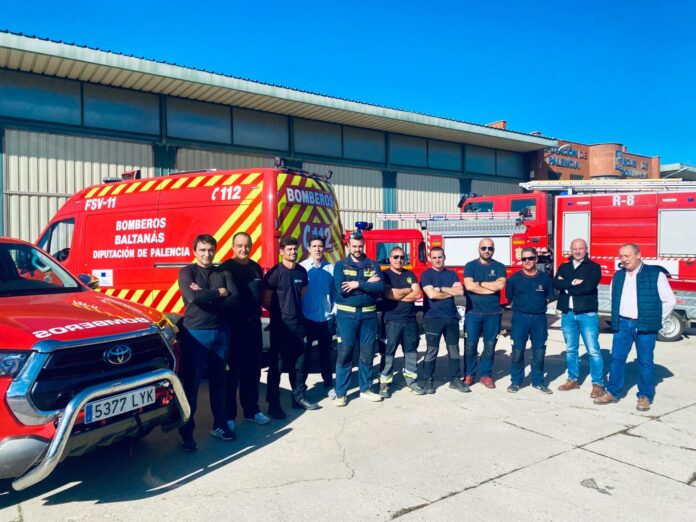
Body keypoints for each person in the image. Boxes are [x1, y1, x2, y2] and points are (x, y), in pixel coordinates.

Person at [594, 243, 676, 411]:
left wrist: (655, 320)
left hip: (645, 325)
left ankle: (645, 395)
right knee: (617, 359)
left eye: (627, 255)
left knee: (645, 361)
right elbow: (612, 298)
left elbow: (670, 300)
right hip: (623, 324)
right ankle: (613, 392)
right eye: (621, 256)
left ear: (638, 255)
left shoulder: (655, 274)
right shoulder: (618, 276)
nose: (624, 260)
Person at [178, 234, 239, 451]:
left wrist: (208, 295)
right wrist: (219, 292)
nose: (207, 254)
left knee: (219, 383)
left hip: (221, 333)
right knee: (192, 385)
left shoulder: (222, 271)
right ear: (195, 251)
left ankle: (220, 425)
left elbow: (234, 298)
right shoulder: (187, 272)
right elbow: (192, 298)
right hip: (195, 335)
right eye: (202, 250)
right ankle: (187, 433)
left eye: (210, 250)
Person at [263, 236, 318, 419]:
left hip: (299, 325)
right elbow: (266, 299)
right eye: (289, 249)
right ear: (281, 251)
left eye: (295, 249)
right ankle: (273, 404)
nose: (292, 252)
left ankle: (299, 398)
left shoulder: (302, 272)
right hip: (280, 327)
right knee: (277, 366)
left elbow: (301, 294)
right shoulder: (274, 273)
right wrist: (280, 314)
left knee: (300, 365)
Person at [220, 232, 270, 433]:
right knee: (232, 375)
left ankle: (252, 411)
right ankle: (229, 416)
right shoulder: (225, 268)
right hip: (233, 328)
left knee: (253, 371)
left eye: (247, 245)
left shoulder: (255, 267)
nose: (243, 249)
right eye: (239, 245)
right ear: (233, 246)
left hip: (253, 327)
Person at [333, 231, 385, 406]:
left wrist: (357, 284)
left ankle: (366, 388)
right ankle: (341, 393)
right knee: (345, 353)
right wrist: (368, 283)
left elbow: (380, 286)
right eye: (354, 246)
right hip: (347, 316)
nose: (357, 249)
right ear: (349, 246)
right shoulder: (340, 265)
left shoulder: (372, 264)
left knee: (367, 354)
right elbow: (342, 290)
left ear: (364, 245)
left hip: (369, 316)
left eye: (360, 246)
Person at [553, 238, 605, 397]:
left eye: (581, 248)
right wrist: (573, 283)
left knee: (593, 351)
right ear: (570, 249)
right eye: (574, 248)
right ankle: (573, 380)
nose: (577, 251)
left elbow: (588, 287)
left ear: (586, 249)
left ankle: (598, 384)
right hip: (568, 314)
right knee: (571, 349)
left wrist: (567, 286)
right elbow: (556, 284)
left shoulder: (594, 268)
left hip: (587, 314)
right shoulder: (564, 266)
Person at [505, 247, 555, 394]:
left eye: (530, 258)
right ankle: (516, 382)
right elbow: (509, 299)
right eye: (524, 259)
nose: (527, 261)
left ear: (536, 259)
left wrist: (536, 306)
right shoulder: (514, 279)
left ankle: (538, 382)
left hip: (539, 319)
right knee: (517, 351)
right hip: (520, 319)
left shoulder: (544, 278)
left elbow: (549, 297)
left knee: (539, 352)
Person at [420, 246, 469, 394]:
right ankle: (427, 380)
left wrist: (440, 288)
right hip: (433, 318)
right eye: (434, 257)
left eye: (440, 257)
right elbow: (432, 295)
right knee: (431, 350)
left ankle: (455, 379)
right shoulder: (426, 275)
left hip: (451, 318)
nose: (437, 260)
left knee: (454, 350)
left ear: (444, 257)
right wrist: (449, 291)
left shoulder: (452, 274)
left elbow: (460, 291)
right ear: (430, 258)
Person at [378, 246, 426, 397]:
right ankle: (384, 384)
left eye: (401, 257)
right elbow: (389, 294)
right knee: (388, 353)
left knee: (411, 352)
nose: (399, 260)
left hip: (410, 320)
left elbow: (417, 293)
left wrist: (398, 294)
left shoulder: (409, 274)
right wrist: (407, 290)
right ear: (390, 259)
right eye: (396, 257)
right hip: (391, 320)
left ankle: (411, 382)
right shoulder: (384, 275)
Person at [463, 237, 507, 388]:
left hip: (493, 313)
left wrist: (479, 284)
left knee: (489, 346)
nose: (487, 251)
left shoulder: (500, 266)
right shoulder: (470, 266)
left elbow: (500, 286)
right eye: (484, 248)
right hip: (473, 313)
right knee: (470, 345)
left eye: (490, 248)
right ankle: (469, 374)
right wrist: (489, 287)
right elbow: (469, 286)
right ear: (479, 249)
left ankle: (486, 375)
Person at [300, 235, 336, 399]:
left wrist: (333, 313)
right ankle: (301, 389)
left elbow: (335, 293)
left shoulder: (331, 269)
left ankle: (328, 384)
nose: (317, 249)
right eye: (314, 246)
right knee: (304, 355)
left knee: (325, 354)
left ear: (324, 248)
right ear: (309, 248)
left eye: (320, 246)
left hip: (326, 319)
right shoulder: (302, 269)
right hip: (307, 318)